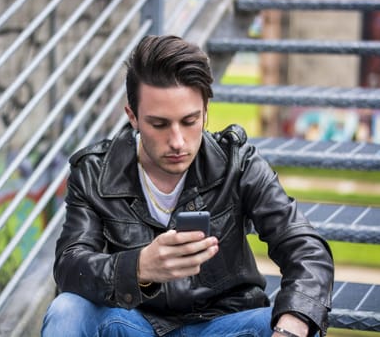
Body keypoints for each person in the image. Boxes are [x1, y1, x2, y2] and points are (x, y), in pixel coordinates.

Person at [42, 35, 334, 337]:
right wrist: (139, 267)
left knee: (299, 322)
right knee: (67, 310)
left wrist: (290, 329)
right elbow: (69, 266)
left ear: (206, 110)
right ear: (133, 117)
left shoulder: (238, 163)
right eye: (159, 124)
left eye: (190, 121)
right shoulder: (93, 172)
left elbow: (306, 250)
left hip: (226, 326)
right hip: (134, 325)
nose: (178, 141)